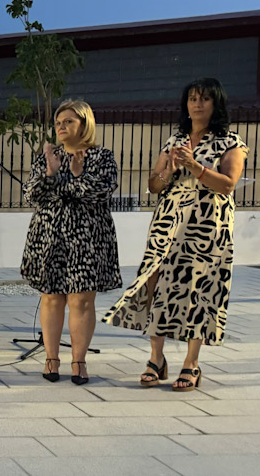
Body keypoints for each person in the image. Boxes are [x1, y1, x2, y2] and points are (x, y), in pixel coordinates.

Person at [103, 78, 247, 391]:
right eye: (192, 98)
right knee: (156, 282)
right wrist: (165, 174)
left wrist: (195, 166)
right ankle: (156, 359)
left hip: (207, 226)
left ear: (215, 104)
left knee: (197, 289)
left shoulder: (230, 142)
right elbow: (153, 186)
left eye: (204, 99)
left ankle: (191, 364)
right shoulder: (174, 140)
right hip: (168, 222)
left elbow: (228, 184)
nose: (197, 104)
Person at [21, 100, 121, 385]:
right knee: (51, 297)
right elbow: (32, 194)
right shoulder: (47, 156)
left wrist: (76, 177)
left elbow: (99, 192)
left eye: (68, 121)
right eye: (58, 122)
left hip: (88, 238)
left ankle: (79, 361)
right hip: (50, 234)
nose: (61, 127)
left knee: (81, 300)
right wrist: (52, 173)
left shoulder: (102, 157)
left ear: (84, 124)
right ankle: (51, 358)